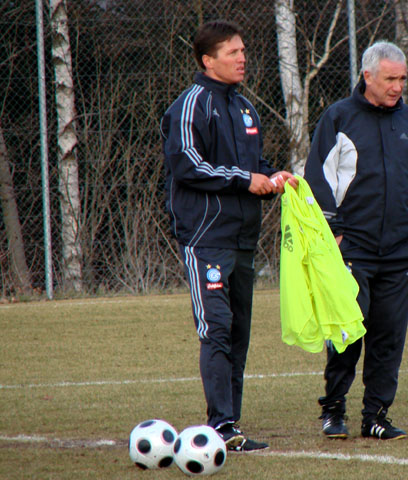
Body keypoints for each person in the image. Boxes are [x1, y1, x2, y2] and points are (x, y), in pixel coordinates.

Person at [161, 20, 296, 452]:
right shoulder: (190, 105)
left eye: (243, 51)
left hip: (243, 240)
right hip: (206, 239)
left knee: (238, 332)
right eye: (232, 52)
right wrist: (245, 179)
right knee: (216, 328)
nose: (242, 58)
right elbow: (188, 165)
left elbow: (254, 167)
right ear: (208, 60)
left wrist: (274, 177)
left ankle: (230, 424)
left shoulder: (245, 108)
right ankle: (220, 425)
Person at [304, 41, 408, 440]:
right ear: (368, 76)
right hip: (351, 252)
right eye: (390, 78)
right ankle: (333, 410)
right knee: (346, 335)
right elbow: (318, 180)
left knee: (388, 339)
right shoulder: (339, 117)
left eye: (402, 78)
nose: (398, 86)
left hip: (399, 253)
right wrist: (335, 234)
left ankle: (375, 416)